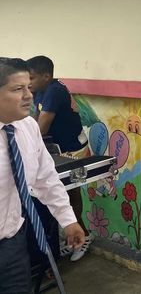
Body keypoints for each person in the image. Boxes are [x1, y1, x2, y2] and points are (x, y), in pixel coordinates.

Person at [0, 57, 85, 293]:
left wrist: (68, 220)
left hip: (12, 242)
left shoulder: (28, 128)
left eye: (29, 87)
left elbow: (46, 178)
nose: (29, 95)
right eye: (18, 89)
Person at [27, 55, 93, 262]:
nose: (28, 82)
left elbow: (40, 128)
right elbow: (34, 122)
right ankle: (71, 238)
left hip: (73, 150)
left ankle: (84, 237)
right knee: (62, 193)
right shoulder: (39, 90)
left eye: (31, 78)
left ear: (46, 76)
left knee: (70, 194)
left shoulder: (54, 91)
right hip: (58, 149)